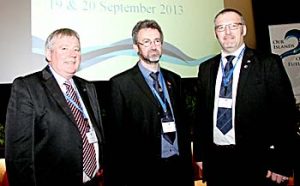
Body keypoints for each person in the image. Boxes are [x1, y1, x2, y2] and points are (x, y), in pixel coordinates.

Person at [193, 8, 297, 186]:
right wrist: (201, 155)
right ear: (215, 33)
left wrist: (282, 162)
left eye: (233, 26)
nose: (227, 33)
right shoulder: (206, 68)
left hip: (258, 164)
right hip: (217, 162)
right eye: (221, 28)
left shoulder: (267, 63)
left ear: (244, 29)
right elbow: (201, 115)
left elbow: (285, 114)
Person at [5, 28, 105, 186]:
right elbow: (19, 155)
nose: (72, 54)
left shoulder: (87, 87)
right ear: (48, 54)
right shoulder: (28, 87)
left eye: (76, 49)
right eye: (64, 48)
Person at [105, 19, 194, 186]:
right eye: (146, 42)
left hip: (178, 168)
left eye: (157, 41)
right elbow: (115, 140)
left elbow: (182, 125)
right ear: (135, 47)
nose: (153, 46)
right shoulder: (121, 84)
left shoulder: (174, 80)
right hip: (143, 172)